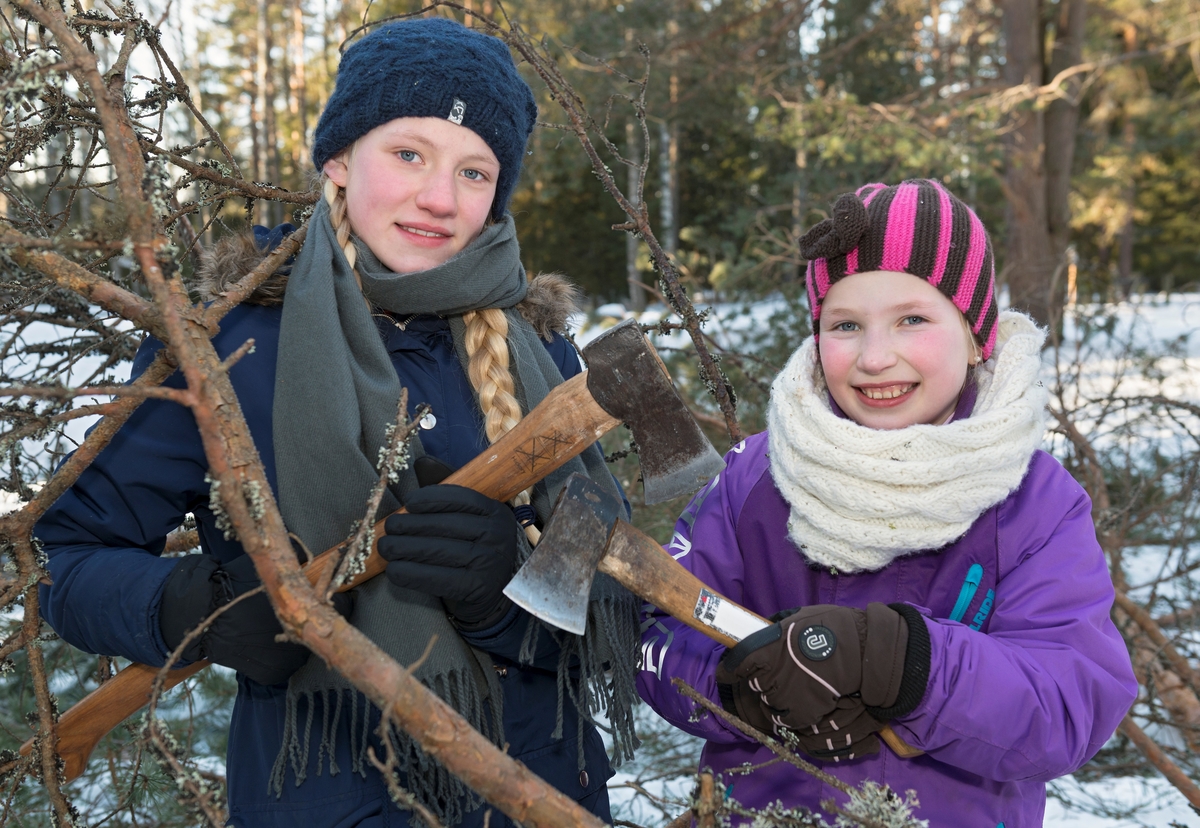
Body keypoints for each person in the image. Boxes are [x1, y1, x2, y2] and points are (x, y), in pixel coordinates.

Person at [36, 17, 640, 828]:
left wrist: (502, 593)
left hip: (544, 792)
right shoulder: (227, 338)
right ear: (339, 157)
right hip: (328, 796)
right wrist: (192, 606)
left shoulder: (539, 346)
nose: (438, 197)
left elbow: (612, 600)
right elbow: (63, 560)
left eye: (474, 171)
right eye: (408, 154)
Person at [636, 180, 1137, 827]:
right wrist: (738, 689)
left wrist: (909, 664)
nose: (876, 357)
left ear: (977, 333)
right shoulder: (754, 479)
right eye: (845, 325)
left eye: (912, 319)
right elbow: (658, 636)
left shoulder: (1033, 502)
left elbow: (1072, 703)